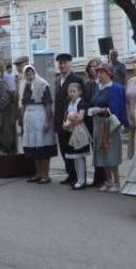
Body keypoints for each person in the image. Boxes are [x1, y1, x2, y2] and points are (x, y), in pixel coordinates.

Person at [89, 63, 127, 192]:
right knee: (102, 152)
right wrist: (93, 110)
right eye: (98, 72)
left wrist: (100, 109)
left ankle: (117, 182)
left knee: (112, 152)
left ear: (108, 74)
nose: (99, 74)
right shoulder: (98, 87)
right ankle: (108, 181)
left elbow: (117, 108)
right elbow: (94, 101)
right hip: (98, 123)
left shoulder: (116, 88)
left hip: (110, 124)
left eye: (102, 72)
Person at [20, 64, 57, 184]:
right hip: (29, 119)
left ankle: (46, 174)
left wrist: (47, 121)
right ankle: (38, 173)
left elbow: (48, 105)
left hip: (40, 116)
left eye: (31, 73)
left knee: (44, 146)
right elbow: (23, 104)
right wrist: (22, 119)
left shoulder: (43, 84)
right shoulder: (24, 86)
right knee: (33, 147)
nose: (30, 76)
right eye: (27, 74)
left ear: (35, 73)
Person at [53, 53, 84, 186]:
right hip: (61, 121)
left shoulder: (76, 78)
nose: (62, 66)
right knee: (64, 148)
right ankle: (70, 174)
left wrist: (77, 118)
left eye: (65, 63)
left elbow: (83, 100)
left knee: (74, 149)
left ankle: (78, 176)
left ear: (71, 64)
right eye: (60, 63)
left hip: (73, 121)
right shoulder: (57, 80)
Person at [61, 82, 90, 190]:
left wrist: (68, 124)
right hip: (71, 132)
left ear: (79, 92)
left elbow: (80, 118)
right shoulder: (69, 103)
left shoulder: (81, 103)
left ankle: (82, 181)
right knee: (75, 158)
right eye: (70, 91)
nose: (72, 93)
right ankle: (79, 179)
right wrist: (64, 124)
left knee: (79, 157)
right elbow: (66, 115)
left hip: (79, 132)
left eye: (74, 91)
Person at [82, 58, 105, 188]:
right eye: (91, 66)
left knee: (103, 148)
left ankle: (105, 177)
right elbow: (84, 102)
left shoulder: (104, 83)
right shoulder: (87, 84)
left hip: (102, 120)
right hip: (90, 121)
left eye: (96, 66)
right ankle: (97, 177)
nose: (93, 68)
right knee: (95, 149)